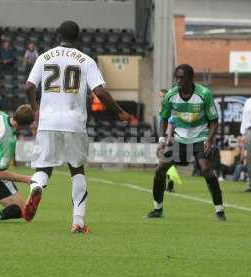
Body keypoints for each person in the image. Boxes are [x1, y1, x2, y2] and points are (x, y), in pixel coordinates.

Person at [24, 20, 132, 233]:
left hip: (48, 121)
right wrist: (119, 111)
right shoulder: (86, 60)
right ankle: (78, 222)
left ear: (58, 36)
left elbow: (29, 86)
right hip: (73, 122)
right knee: (77, 170)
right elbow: (99, 92)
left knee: (44, 167)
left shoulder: (43, 57)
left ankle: (36, 187)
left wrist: (36, 109)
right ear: (78, 37)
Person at [147, 64, 226, 221]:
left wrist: (209, 141)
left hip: (200, 138)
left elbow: (214, 121)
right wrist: (162, 139)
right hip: (179, 139)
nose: (178, 80)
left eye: (181, 77)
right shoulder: (171, 95)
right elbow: (163, 117)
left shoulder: (204, 94)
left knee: (206, 170)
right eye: (176, 77)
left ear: (191, 78)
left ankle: (219, 210)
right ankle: (157, 209)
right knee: (160, 170)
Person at [240, 97, 251, 191]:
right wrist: (243, 133)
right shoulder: (248, 101)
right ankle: (250, 184)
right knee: (249, 159)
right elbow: (244, 118)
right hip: (249, 131)